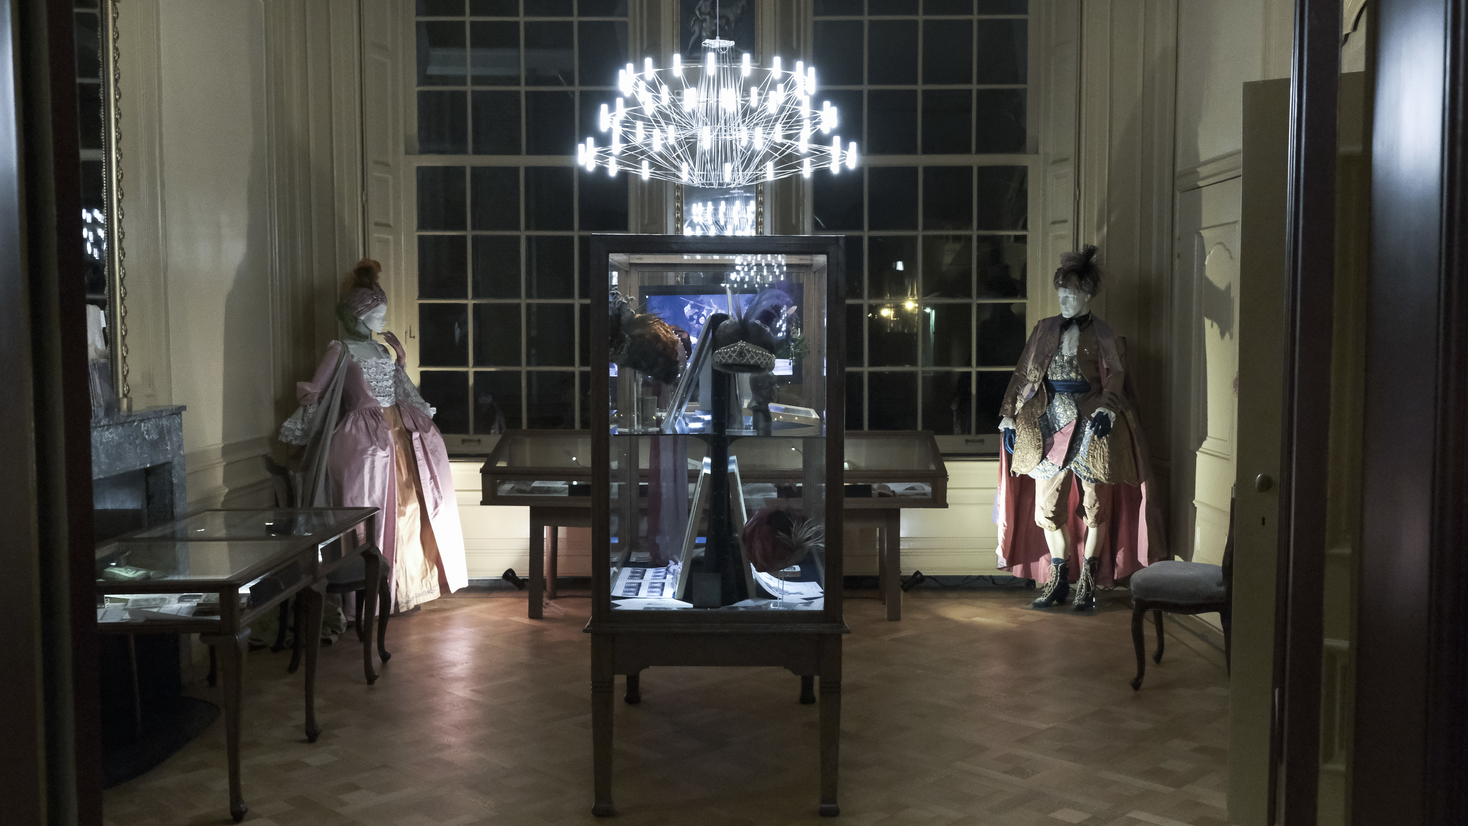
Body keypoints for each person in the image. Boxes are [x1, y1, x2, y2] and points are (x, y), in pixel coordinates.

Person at [280, 258, 468, 613]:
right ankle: (365, 599)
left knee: (408, 510)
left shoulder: (382, 349)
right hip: (362, 441)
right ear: (359, 315)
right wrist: (304, 422)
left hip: (398, 435)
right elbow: (317, 391)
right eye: (377, 315)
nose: (383, 321)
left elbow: (396, 388)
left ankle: (402, 588)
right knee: (373, 512)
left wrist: (401, 363)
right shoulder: (340, 350)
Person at [993, 246, 1163, 610]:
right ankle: (1058, 579)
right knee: (1046, 508)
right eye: (1061, 295)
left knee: (1094, 505)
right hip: (1047, 422)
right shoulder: (1043, 329)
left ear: (1087, 295)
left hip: (1091, 422)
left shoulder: (1105, 334)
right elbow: (1023, 372)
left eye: (1071, 295)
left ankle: (1088, 581)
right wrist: (1009, 412)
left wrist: (1108, 409)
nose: (1064, 301)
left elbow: (1115, 374)